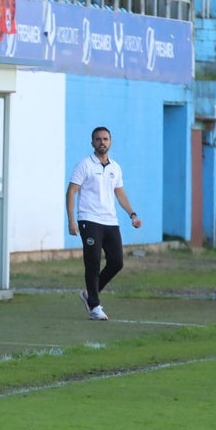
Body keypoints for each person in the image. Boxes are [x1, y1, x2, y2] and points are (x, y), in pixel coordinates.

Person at [66, 126, 141, 321]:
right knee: (93, 264)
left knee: (117, 262)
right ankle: (94, 306)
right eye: (98, 139)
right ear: (92, 142)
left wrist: (132, 214)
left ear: (110, 142)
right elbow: (71, 191)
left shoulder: (115, 167)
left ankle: (89, 294)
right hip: (89, 220)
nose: (102, 142)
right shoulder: (85, 165)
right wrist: (71, 220)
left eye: (105, 139)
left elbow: (120, 193)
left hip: (110, 220)